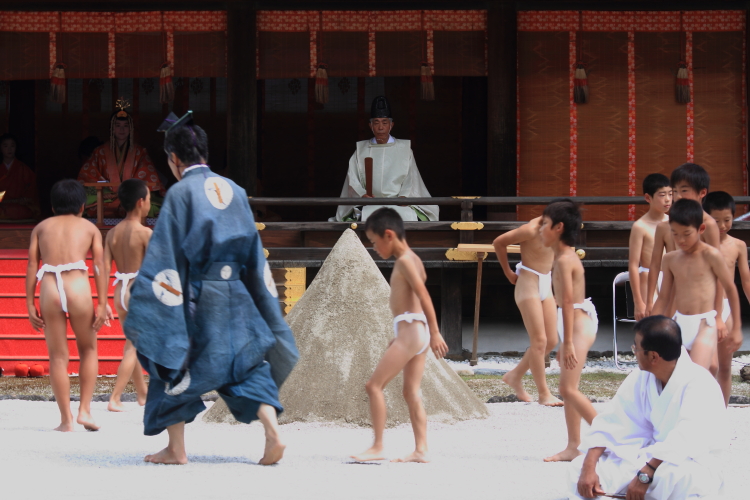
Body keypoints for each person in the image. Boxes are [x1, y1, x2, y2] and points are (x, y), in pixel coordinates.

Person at [123, 111, 299, 465]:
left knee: (169, 362)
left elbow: (167, 259)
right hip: (238, 294)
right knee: (247, 365)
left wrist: (144, 296)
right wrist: (260, 301)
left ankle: (176, 449)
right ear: (204, 153)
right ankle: (273, 433)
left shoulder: (180, 194)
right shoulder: (236, 190)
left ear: (174, 159)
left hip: (199, 298)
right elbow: (253, 251)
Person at [570, 316, 727, 500]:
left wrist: (646, 474)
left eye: (636, 348)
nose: (634, 352)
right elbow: (613, 421)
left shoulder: (699, 383)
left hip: (688, 461)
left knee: (672, 477)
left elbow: (687, 438)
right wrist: (589, 466)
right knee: (577, 468)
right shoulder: (641, 377)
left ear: (653, 356)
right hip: (649, 455)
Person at [351, 207, 448, 463]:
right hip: (412, 331)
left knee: (373, 386)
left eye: (374, 242)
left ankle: (378, 446)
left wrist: (436, 332)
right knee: (411, 392)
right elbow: (413, 299)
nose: (374, 248)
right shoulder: (413, 258)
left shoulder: (405, 261)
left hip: (412, 332)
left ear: (389, 235)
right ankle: (421, 449)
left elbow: (424, 295)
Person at [25, 179, 111, 431]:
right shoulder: (89, 228)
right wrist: (103, 301)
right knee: (88, 350)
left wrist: (29, 302)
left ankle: (66, 420)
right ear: (83, 206)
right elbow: (99, 267)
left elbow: (32, 265)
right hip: (78, 287)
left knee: (58, 357)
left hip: (50, 287)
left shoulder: (41, 227)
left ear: (52, 207)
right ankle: (85, 410)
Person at [652, 199, 741, 371]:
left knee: (696, 372)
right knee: (679, 374)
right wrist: (649, 326)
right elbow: (663, 297)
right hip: (679, 322)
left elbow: (730, 288)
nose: (681, 239)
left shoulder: (711, 255)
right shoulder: (670, 259)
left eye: (686, 233)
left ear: (700, 229)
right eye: (675, 234)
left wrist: (735, 327)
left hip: (705, 323)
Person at [540, 200, 598, 463]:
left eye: (544, 224)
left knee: (568, 388)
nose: (541, 229)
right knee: (568, 386)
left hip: (578, 322)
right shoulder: (561, 255)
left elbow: (566, 303)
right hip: (572, 323)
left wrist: (569, 344)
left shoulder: (564, 259)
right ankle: (574, 445)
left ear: (559, 227)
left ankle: (609, 437)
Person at [333, 96, 438, 222]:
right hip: (370, 203)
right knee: (365, 216)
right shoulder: (361, 149)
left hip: (399, 202)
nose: (380, 127)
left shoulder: (404, 148)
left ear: (391, 125)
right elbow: (353, 179)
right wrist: (362, 195)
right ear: (370, 125)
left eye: (384, 122)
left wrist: (405, 196)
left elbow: (412, 178)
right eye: (376, 123)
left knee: (406, 216)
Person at [493, 216, 562, 406]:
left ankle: (515, 375)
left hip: (546, 282)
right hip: (528, 282)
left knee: (552, 340)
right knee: (539, 341)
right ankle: (544, 393)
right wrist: (508, 272)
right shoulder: (531, 229)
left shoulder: (559, 231)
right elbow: (499, 242)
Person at [645, 164, 721, 323]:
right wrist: (649, 301)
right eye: (674, 191)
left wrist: (718, 315)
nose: (677, 196)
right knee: (654, 337)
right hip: (669, 296)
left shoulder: (709, 225)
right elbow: (654, 265)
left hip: (702, 303)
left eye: (684, 190)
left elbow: (718, 274)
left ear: (702, 193)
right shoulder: (664, 227)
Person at [104, 179, 152, 412]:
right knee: (133, 346)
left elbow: (103, 268)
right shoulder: (145, 232)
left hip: (119, 290)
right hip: (137, 290)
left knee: (130, 343)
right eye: (150, 199)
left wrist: (102, 301)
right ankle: (115, 397)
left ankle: (142, 393)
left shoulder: (112, 233)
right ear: (141, 202)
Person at [77, 99, 164, 218]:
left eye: (125, 126)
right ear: (112, 128)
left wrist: (129, 191)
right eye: (117, 126)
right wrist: (109, 191)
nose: (122, 130)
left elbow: (147, 175)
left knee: (150, 204)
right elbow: (88, 175)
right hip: (107, 197)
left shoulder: (140, 152)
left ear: (131, 128)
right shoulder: (100, 151)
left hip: (132, 196)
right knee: (90, 203)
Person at [703, 191, 749, 403]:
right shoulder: (698, 244)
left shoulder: (737, 245)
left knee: (725, 365)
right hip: (703, 305)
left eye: (727, 220)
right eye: (716, 220)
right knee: (706, 365)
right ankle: (702, 410)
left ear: (734, 217)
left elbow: (746, 280)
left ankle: (722, 412)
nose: (721, 226)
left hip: (726, 306)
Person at [628, 174, 671, 320]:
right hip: (648, 277)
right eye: (662, 195)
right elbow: (633, 265)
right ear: (648, 198)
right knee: (651, 321)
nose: (667, 199)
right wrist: (638, 302)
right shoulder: (640, 226)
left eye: (670, 194)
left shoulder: (673, 222)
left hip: (669, 276)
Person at [0, 133, 40, 220]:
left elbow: (31, 189)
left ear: (16, 148)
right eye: (5, 146)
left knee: (19, 211)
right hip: (1, 205)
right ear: (1, 148)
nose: (9, 149)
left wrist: (24, 200)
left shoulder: (23, 169)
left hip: (18, 205)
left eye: (12, 146)